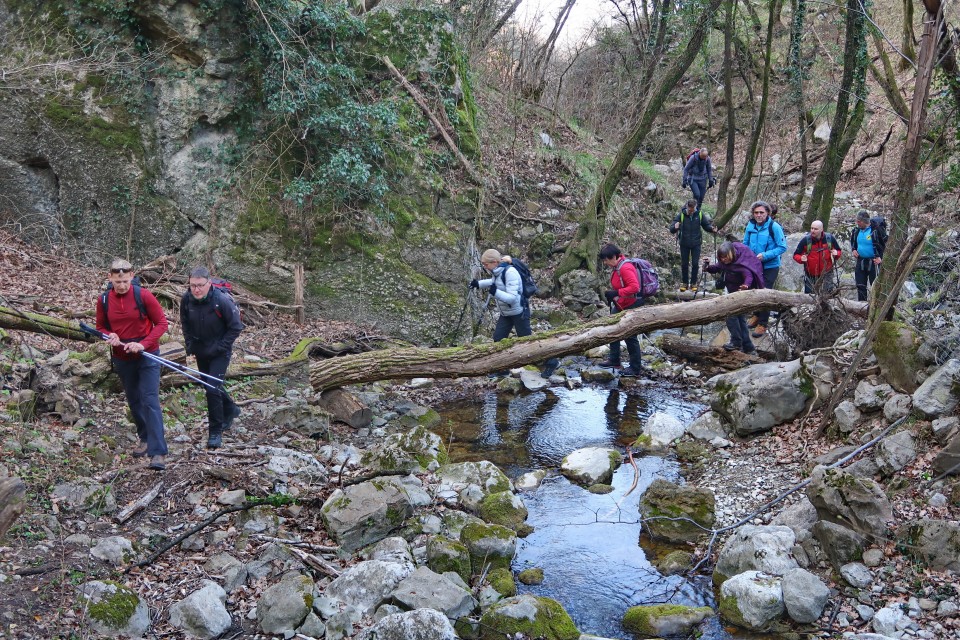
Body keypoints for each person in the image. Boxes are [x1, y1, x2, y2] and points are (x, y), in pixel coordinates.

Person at [95, 259, 169, 470]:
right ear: (110, 278)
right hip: (122, 357)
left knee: (150, 399)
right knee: (134, 400)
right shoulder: (104, 300)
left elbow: (162, 324)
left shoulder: (143, 295)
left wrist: (143, 344)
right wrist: (109, 336)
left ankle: (158, 452)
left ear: (132, 276)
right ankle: (144, 438)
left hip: (147, 355)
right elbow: (100, 327)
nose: (122, 285)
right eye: (118, 281)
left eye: (125, 281)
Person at [180, 267, 244, 449]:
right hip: (201, 349)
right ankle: (231, 408)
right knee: (210, 383)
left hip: (220, 352)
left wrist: (221, 347)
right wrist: (189, 343)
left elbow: (236, 327)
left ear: (209, 283)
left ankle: (215, 431)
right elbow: (184, 322)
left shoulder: (221, 301)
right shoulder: (186, 300)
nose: (196, 289)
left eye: (200, 285)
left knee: (211, 388)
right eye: (193, 285)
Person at [470, 249, 531, 379]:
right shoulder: (497, 271)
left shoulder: (510, 272)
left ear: (495, 262)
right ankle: (502, 369)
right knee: (498, 339)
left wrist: (495, 292)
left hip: (520, 312)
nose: (484, 267)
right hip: (506, 313)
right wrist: (478, 284)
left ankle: (551, 362)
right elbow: (494, 282)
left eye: (486, 264)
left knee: (528, 343)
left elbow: (512, 298)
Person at [703, 241, 764, 354]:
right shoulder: (723, 263)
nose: (723, 260)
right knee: (740, 320)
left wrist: (746, 286)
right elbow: (715, 268)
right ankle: (748, 347)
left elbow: (748, 276)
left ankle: (736, 342)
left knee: (731, 316)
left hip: (741, 295)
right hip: (732, 294)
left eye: (725, 257)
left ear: (731, 254)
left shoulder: (741, 263)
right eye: (721, 258)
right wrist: (707, 267)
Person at [597, 243, 645, 377]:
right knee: (612, 328)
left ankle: (635, 368)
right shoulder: (617, 267)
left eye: (606, 260)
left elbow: (635, 288)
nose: (605, 263)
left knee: (630, 335)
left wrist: (616, 292)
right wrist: (614, 295)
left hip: (631, 304)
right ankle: (614, 360)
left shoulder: (625, 268)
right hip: (621, 303)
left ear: (613, 257)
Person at [742, 200, 786, 337]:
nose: (759, 215)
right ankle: (756, 314)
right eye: (756, 213)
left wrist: (765, 255)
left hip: (770, 265)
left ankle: (763, 323)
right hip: (754, 265)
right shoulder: (751, 225)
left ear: (767, 213)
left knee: (765, 292)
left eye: (761, 212)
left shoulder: (774, 227)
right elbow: (745, 244)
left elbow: (782, 247)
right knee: (754, 290)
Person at [670, 198, 718, 292]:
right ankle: (684, 283)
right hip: (684, 243)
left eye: (693, 210)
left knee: (695, 264)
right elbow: (672, 228)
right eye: (690, 210)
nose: (691, 212)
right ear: (687, 207)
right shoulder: (682, 215)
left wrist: (712, 229)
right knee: (684, 263)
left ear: (695, 207)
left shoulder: (699, 214)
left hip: (696, 243)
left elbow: (705, 225)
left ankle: (693, 283)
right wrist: (675, 227)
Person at [793, 220, 842, 294]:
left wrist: (836, 253)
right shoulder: (805, 240)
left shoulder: (829, 238)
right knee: (810, 296)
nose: (813, 231)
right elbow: (796, 255)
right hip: (811, 274)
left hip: (827, 273)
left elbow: (838, 251)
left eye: (815, 229)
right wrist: (801, 259)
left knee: (827, 294)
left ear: (822, 229)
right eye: (812, 228)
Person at [850, 210, 886, 302]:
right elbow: (853, 242)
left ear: (863, 221)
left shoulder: (876, 230)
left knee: (875, 286)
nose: (857, 223)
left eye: (858, 221)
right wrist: (854, 250)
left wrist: (880, 257)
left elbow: (884, 245)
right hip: (861, 261)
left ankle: (876, 305)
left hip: (874, 262)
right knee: (860, 285)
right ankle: (862, 305)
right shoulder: (856, 230)